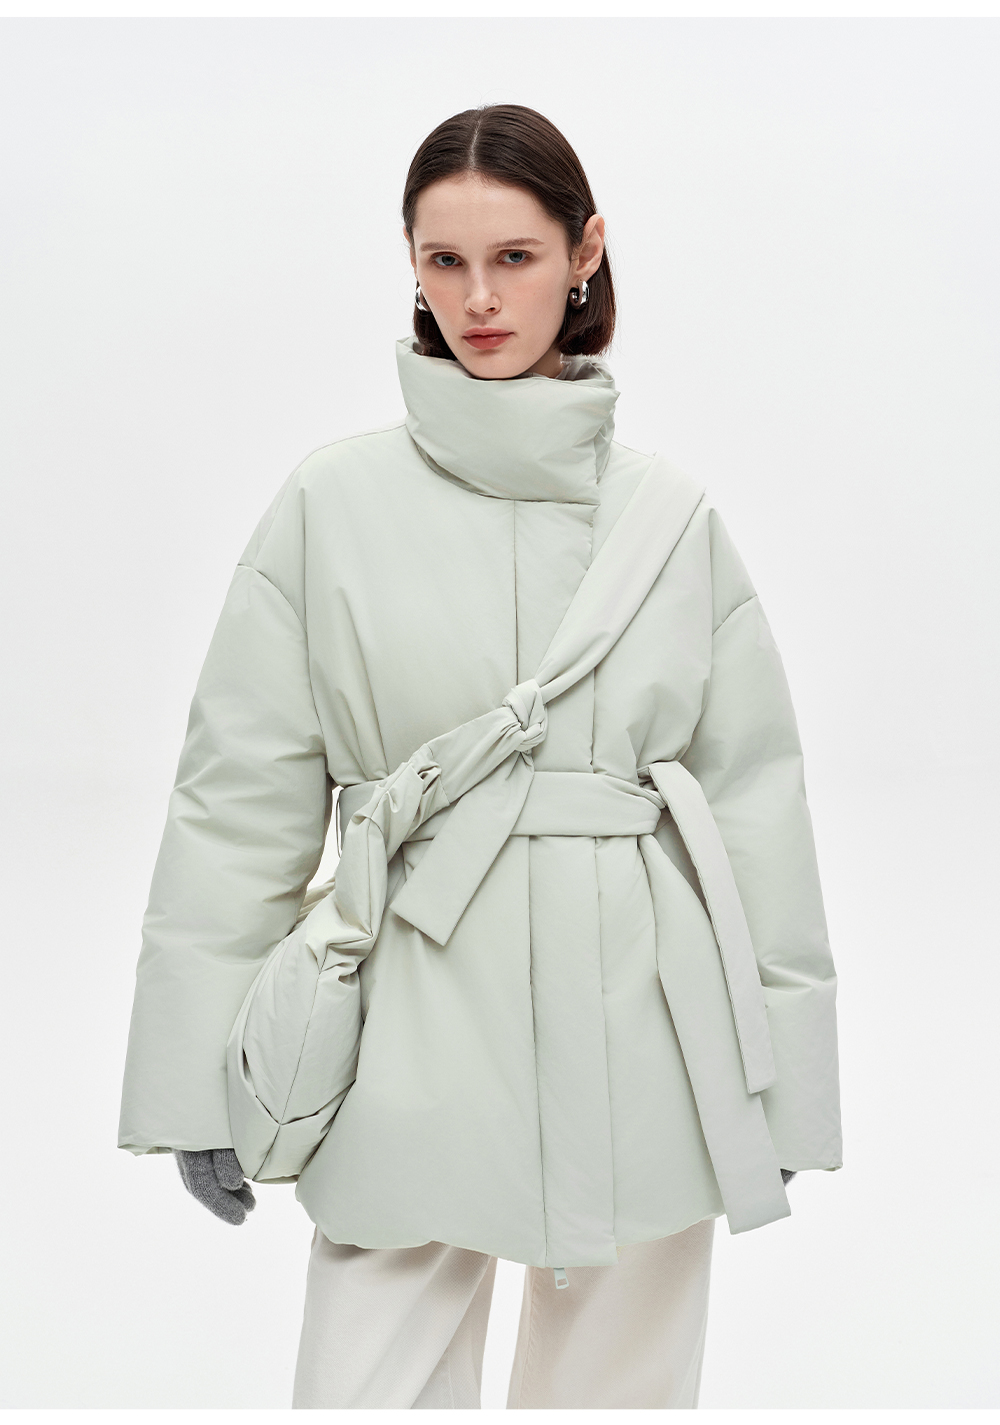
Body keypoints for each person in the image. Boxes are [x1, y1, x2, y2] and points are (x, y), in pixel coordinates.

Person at [119, 104, 842, 1410]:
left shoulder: (670, 520)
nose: (478, 298)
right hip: (407, 1007)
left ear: (586, 252)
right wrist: (195, 1080)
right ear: (410, 265)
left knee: (619, 1393)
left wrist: (783, 1081)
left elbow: (756, 809)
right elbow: (240, 801)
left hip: (645, 1013)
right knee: (366, 1384)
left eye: (514, 256)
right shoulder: (330, 504)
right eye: (443, 262)